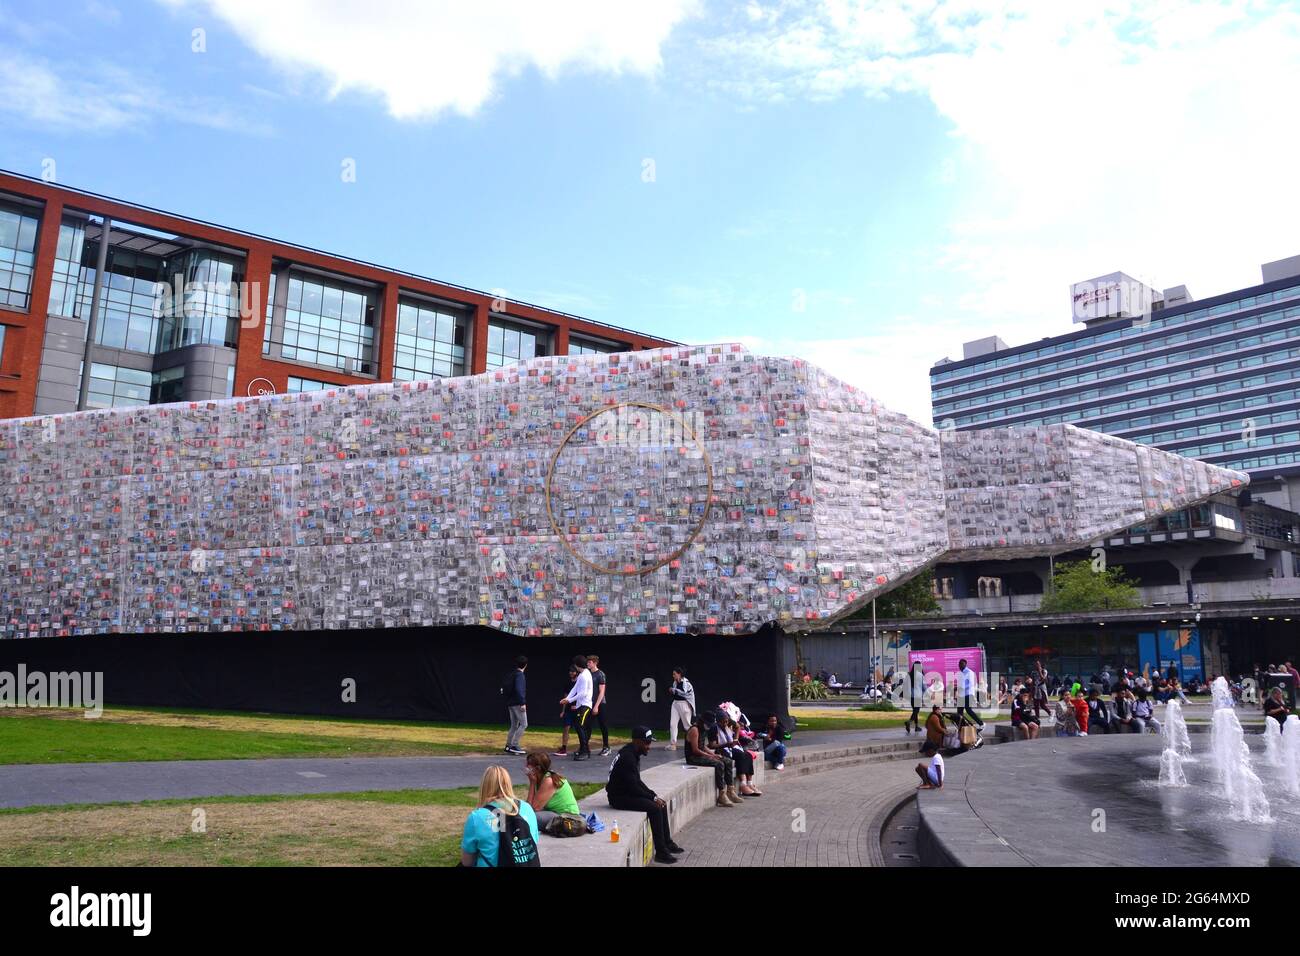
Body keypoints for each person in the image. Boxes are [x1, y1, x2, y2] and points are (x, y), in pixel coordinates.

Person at [606, 726, 685, 865]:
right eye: (647, 743)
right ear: (637, 741)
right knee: (654, 808)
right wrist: (652, 798)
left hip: (626, 791)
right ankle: (661, 852)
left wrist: (653, 795)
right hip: (618, 798)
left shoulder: (633, 752)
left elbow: (636, 781)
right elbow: (634, 787)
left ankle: (667, 843)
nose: (649, 746)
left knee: (661, 803)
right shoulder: (628, 758)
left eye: (650, 742)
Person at [460, 765, 540, 867]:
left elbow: (467, 862)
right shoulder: (526, 808)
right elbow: (534, 842)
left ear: (484, 786)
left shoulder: (477, 817)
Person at [686, 712, 736, 807]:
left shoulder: (702, 730)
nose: (708, 726)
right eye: (707, 723)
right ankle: (722, 794)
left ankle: (730, 790)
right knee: (719, 764)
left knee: (727, 761)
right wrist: (711, 756)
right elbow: (695, 750)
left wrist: (712, 754)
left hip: (700, 754)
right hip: (693, 757)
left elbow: (703, 746)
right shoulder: (694, 730)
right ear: (702, 721)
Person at [714, 708, 762, 797]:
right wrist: (726, 744)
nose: (725, 724)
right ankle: (742, 785)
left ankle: (749, 783)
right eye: (723, 722)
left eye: (726, 722)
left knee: (748, 755)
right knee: (741, 755)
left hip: (730, 745)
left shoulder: (728, 721)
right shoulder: (714, 728)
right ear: (718, 721)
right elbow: (711, 745)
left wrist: (735, 739)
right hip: (722, 748)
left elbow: (737, 727)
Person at [559, 654, 593, 760]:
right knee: (580, 727)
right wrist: (567, 699)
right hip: (581, 705)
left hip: (585, 705)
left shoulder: (584, 675)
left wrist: (568, 700)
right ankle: (584, 750)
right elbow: (575, 689)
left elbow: (582, 693)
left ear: (578, 665)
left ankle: (584, 752)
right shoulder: (583, 674)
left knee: (580, 727)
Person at [503, 655, 528, 756]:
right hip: (518, 703)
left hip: (511, 703)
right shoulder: (520, 675)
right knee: (524, 724)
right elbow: (519, 689)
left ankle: (508, 746)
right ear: (525, 665)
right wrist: (522, 702)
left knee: (514, 725)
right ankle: (514, 745)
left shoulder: (512, 674)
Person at [586, 655, 611, 756]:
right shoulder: (586, 674)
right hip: (589, 703)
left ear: (595, 663)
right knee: (587, 726)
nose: (588, 663)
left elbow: (602, 692)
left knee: (603, 725)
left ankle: (606, 747)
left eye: (590, 662)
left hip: (600, 704)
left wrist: (596, 706)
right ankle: (584, 747)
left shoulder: (600, 674)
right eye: (587, 662)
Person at [667, 666, 696, 751]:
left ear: (679, 674)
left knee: (687, 726)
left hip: (685, 704)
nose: (673, 676)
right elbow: (675, 692)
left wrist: (673, 690)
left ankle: (694, 743)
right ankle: (673, 744)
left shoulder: (686, 683)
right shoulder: (675, 682)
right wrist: (673, 690)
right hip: (675, 704)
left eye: (674, 674)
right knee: (673, 724)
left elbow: (684, 692)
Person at [554, 664, 579, 757]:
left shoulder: (580, 682)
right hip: (568, 710)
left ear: (577, 672)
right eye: (570, 671)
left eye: (573, 671)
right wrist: (563, 711)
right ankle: (564, 748)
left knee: (580, 729)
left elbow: (582, 695)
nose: (571, 673)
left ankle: (584, 748)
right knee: (566, 728)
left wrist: (577, 706)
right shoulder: (567, 683)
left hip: (578, 710)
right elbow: (565, 697)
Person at [956, 658, 984, 731]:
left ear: (965, 664)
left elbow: (971, 684)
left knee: (968, 710)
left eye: (961, 664)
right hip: (961, 695)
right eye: (959, 665)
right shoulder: (961, 673)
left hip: (968, 694)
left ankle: (981, 724)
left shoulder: (969, 672)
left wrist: (961, 687)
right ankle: (961, 727)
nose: (960, 666)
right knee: (959, 712)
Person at [903, 660, 925, 735]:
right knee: (916, 711)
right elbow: (924, 687)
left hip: (911, 696)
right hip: (918, 696)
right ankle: (909, 722)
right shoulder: (920, 675)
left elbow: (905, 686)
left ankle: (916, 726)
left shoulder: (909, 674)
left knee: (915, 711)